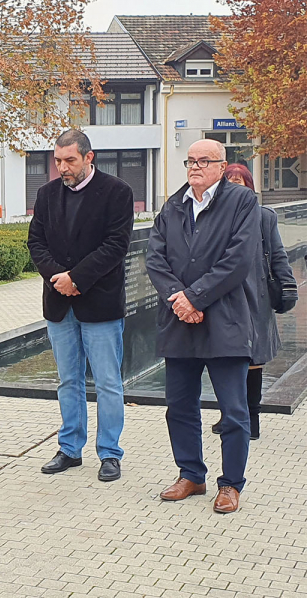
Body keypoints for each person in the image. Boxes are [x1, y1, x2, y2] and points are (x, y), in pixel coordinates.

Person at [146, 139, 262, 514]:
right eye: (190, 160)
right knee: (179, 406)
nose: (195, 167)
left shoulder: (241, 202)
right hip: (179, 322)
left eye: (204, 160)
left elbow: (238, 259)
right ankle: (191, 475)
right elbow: (155, 258)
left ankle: (230, 485)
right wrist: (179, 299)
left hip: (225, 321)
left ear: (221, 165)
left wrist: (195, 297)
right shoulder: (173, 205)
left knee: (233, 409)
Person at [27, 129, 134, 482]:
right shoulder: (45, 194)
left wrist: (78, 277)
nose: (63, 168)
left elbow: (116, 245)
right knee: (68, 380)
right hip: (59, 303)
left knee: (107, 382)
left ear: (89, 157)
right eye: (58, 161)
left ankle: (109, 453)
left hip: (100, 303)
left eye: (70, 160)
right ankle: (70, 448)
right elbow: (36, 241)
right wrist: (59, 276)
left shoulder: (117, 192)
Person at [209, 163, 297, 440]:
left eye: (241, 183)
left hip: (255, 298)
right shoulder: (214, 217)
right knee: (224, 360)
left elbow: (278, 256)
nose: (236, 188)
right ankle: (230, 414)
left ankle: (252, 419)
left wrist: (288, 288)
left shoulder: (264, 217)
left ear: (250, 188)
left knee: (253, 362)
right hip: (223, 298)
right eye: (230, 183)